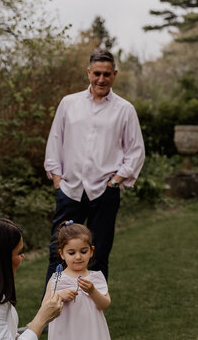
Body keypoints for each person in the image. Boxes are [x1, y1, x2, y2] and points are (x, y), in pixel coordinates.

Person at [44, 49, 145, 284]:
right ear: (88, 73)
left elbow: (135, 151)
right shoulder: (68, 103)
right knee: (58, 255)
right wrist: (58, 182)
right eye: (97, 73)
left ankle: (92, 317)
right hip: (70, 191)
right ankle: (51, 317)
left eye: (107, 74)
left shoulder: (125, 109)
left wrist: (115, 182)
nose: (101, 79)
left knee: (97, 256)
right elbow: (54, 142)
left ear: (115, 75)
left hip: (104, 193)